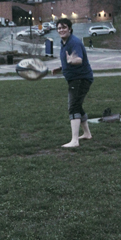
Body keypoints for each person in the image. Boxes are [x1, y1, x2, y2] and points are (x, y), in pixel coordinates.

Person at [52, 18, 93, 148]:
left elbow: (78, 60)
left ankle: (75, 140)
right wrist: (60, 68)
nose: (61, 30)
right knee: (78, 106)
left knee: (73, 106)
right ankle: (87, 134)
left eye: (64, 27)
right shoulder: (64, 42)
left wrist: (71, 61)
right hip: (75, 78)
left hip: (80, 78)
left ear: (69, 29)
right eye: (59, 28)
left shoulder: (73, 42)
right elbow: (69, 60)